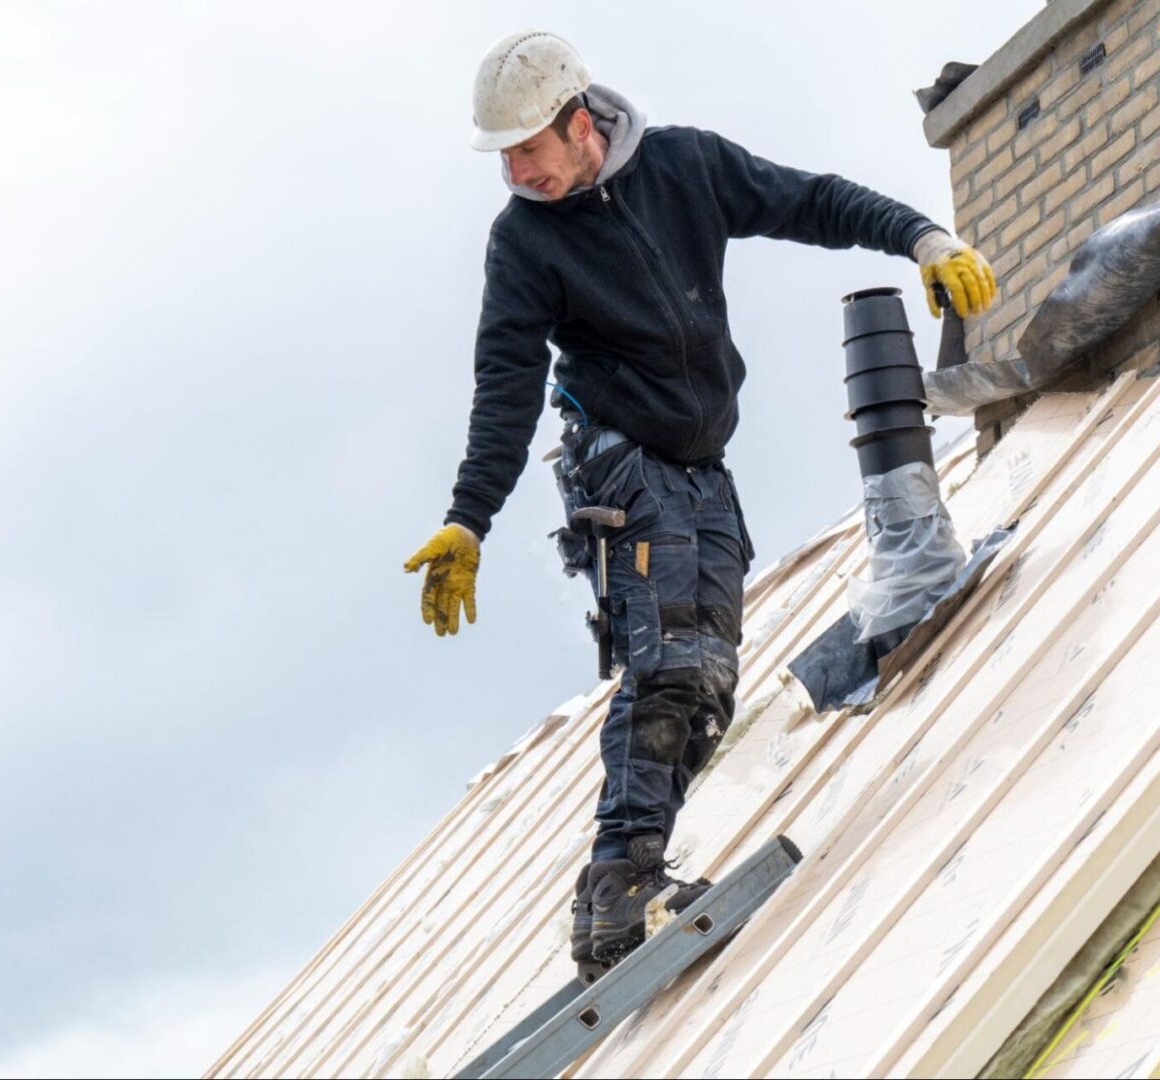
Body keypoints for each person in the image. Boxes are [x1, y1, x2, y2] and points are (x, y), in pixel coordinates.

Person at [403, 30, 996, 966]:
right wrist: (466, 520)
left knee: (711, 685)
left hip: (702, 470)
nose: (516, 171)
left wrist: (919, 235)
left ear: (579, 120)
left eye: (528, 148)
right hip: (620, 463)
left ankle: (627, 885)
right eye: (503, 156)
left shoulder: (686, 165)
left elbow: (813, 200)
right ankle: (621, 886)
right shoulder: (523, 242)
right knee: (668, 658)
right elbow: (505, 384)